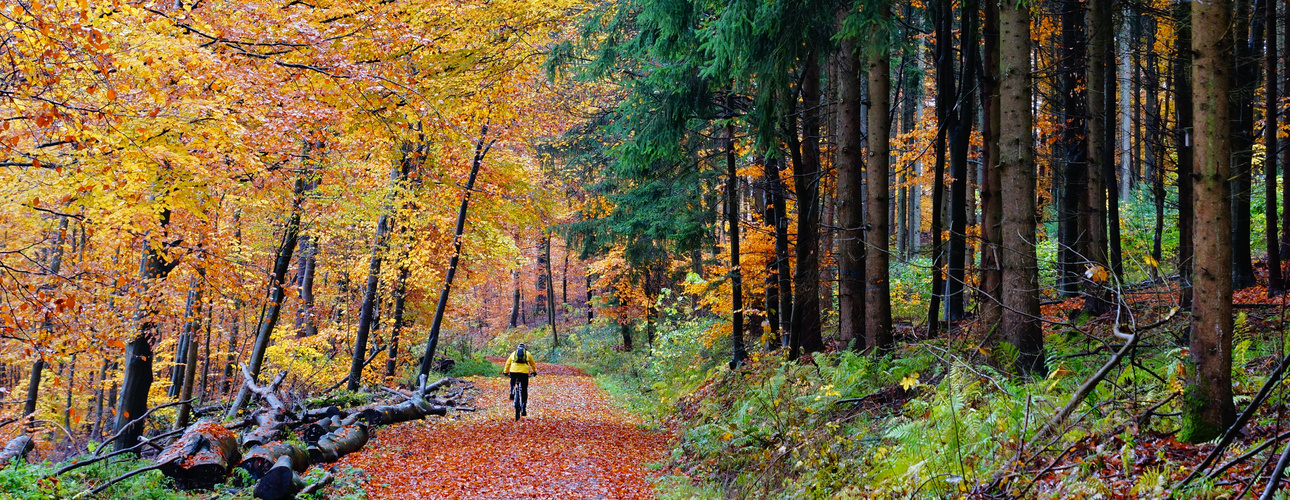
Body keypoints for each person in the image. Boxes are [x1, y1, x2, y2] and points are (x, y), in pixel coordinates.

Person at [502, 343, 536, 414]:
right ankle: (523, 406)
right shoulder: (528, 354)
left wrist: (505, 372)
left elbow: (508, 363)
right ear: (525, 348)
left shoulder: (513, 353)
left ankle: (512, 390)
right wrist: (534, 372)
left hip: (513, 371)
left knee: (513, 380)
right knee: (524, 389)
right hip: (524, 373)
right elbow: (533, 364)